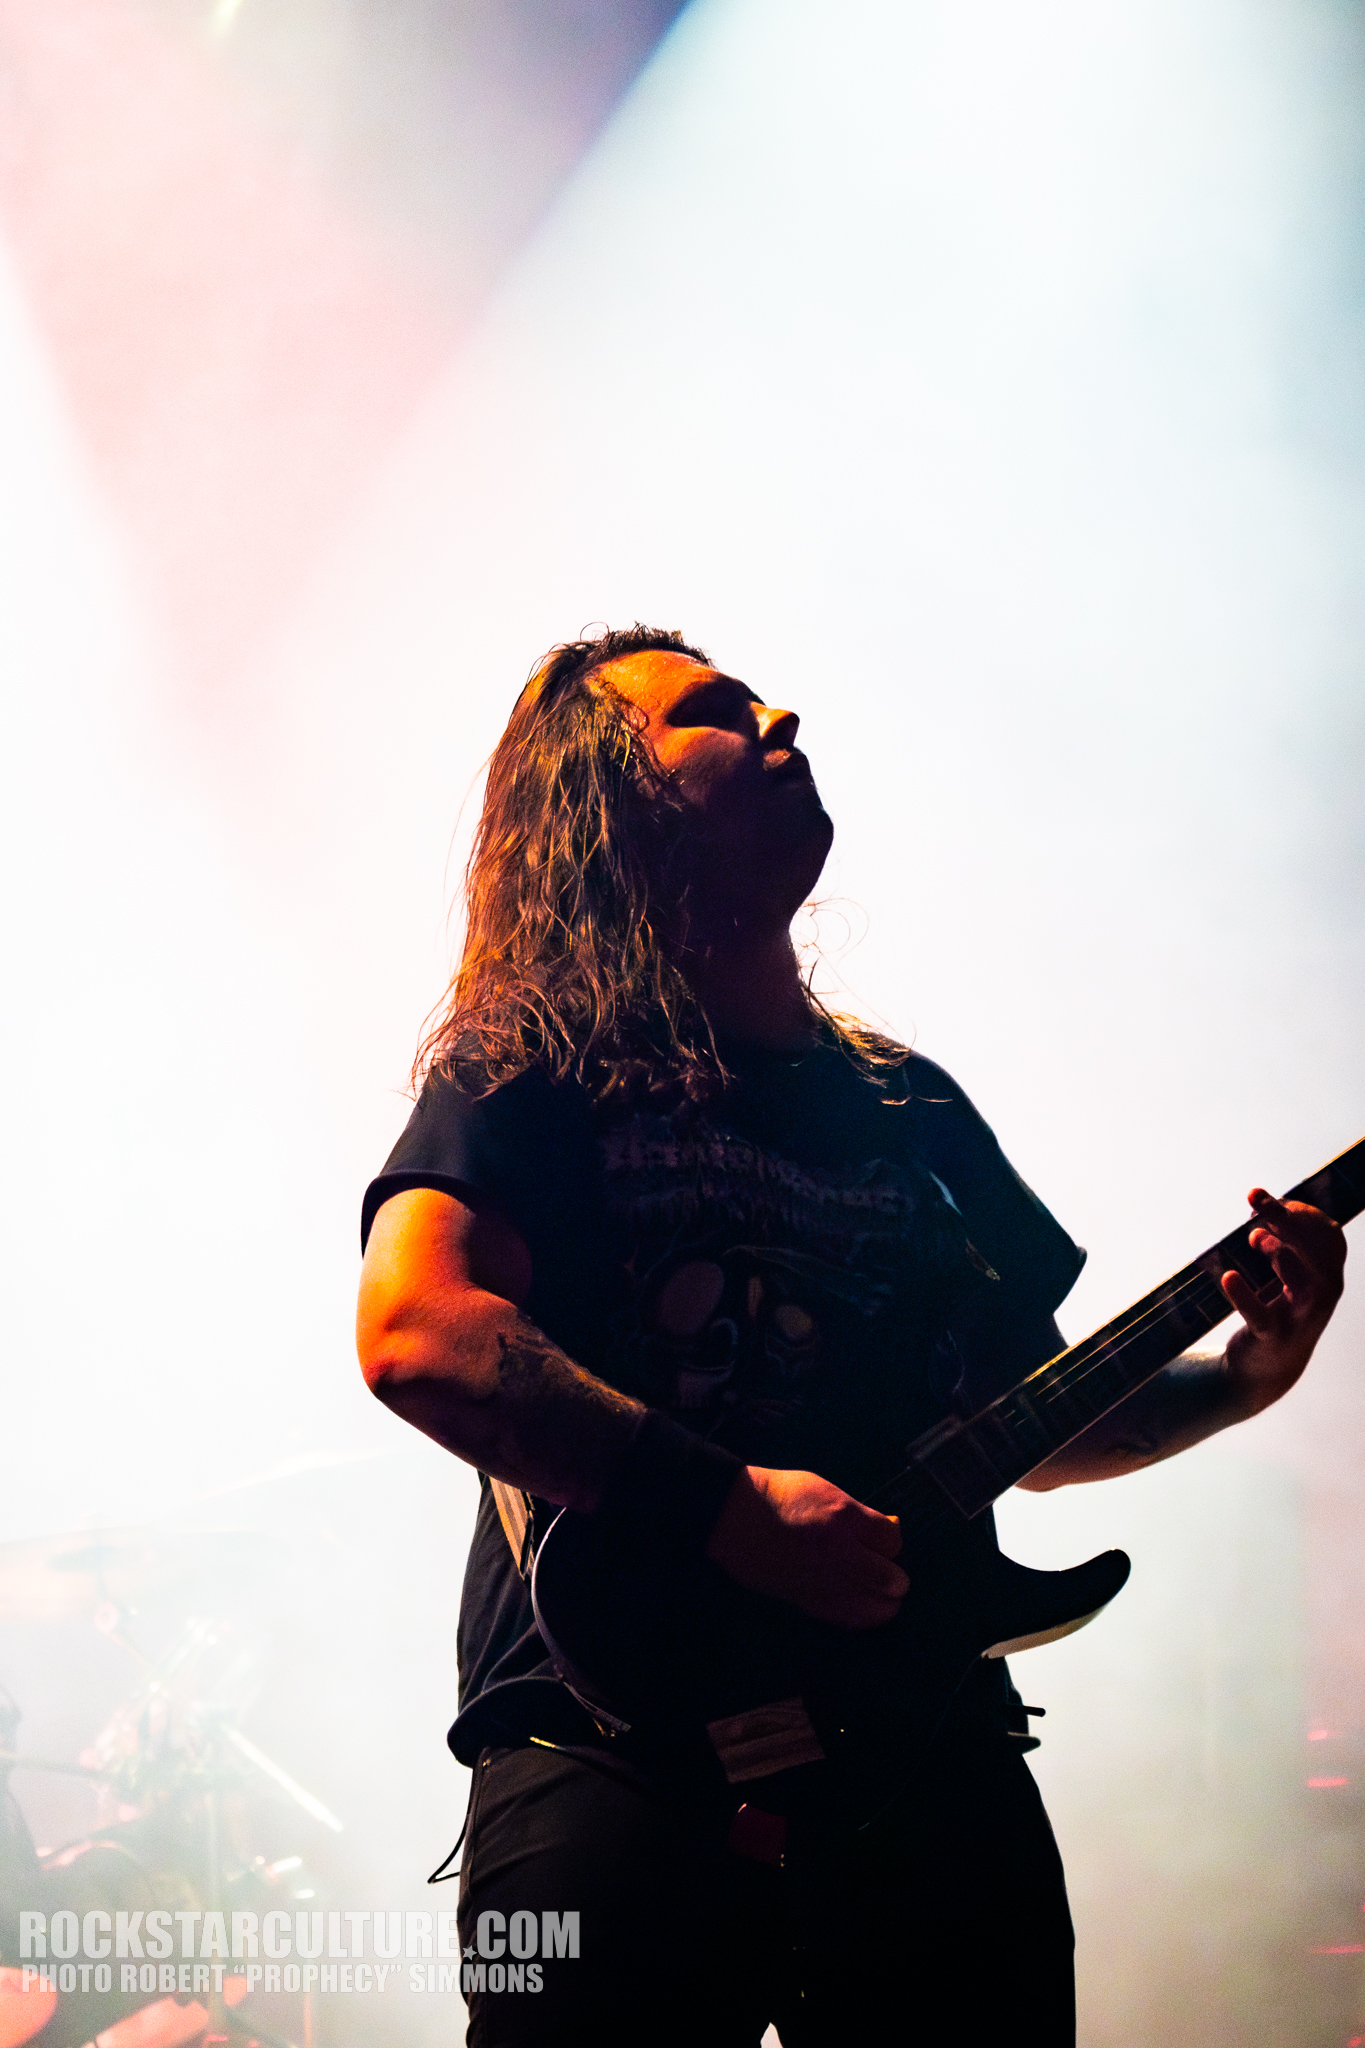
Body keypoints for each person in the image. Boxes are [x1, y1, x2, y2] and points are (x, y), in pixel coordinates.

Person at [355, 625, 1346, 2046]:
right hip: (609, 1739)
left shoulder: (910, 1110)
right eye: (713, 712)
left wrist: (1250, 1369)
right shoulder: (532, 1065)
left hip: (921, 1736)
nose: (781, 716)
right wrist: (731, 1510)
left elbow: (1034, 1425)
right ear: (605, 807)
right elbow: (418, 1331)